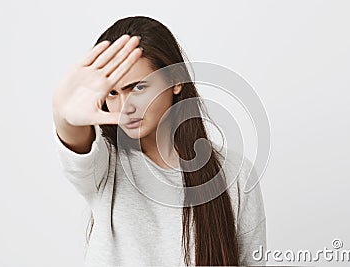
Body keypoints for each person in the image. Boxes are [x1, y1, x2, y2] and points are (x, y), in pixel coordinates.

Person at [52, 15, 266, 266]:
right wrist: (63, 115)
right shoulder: (105, 164)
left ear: (175, 80)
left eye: (137, 88)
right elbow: (75, 143)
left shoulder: (235, 175)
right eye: (112, 93)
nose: (125, 107)